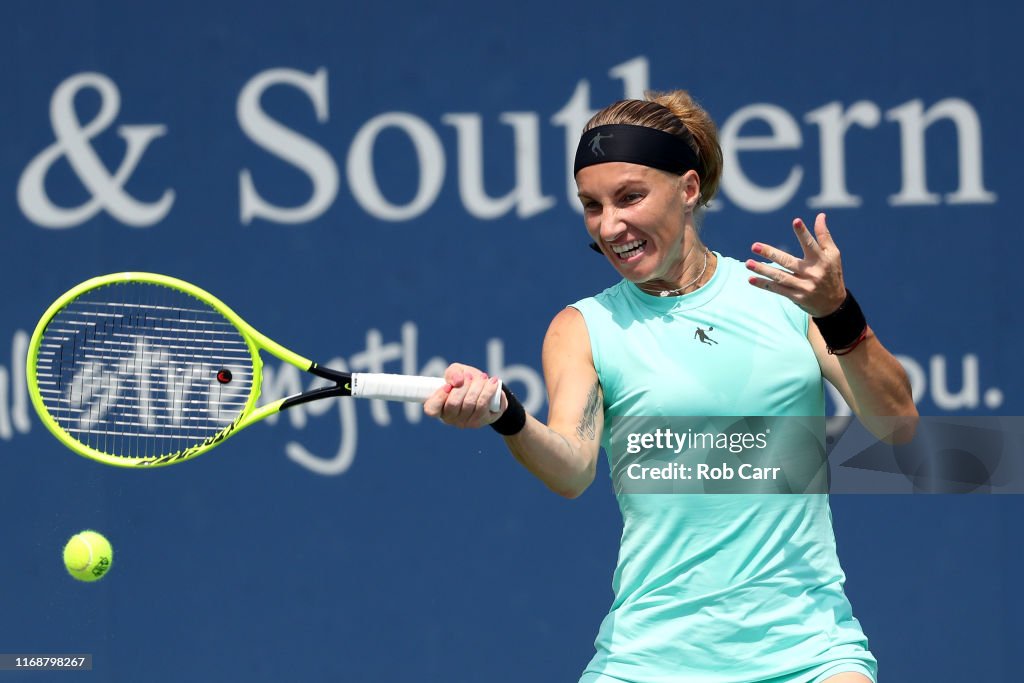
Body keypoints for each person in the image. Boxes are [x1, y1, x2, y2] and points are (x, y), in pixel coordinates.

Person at [424, 90, 917, 683]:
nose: (611, 226)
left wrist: (838, 313)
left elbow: (897, 427)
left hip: (809, 655)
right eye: (592, 205)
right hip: (647, 661)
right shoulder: (583, 327)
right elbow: (572, 468)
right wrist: (505, 415)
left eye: (629, 197)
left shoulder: (788, 300)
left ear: (688, 189)